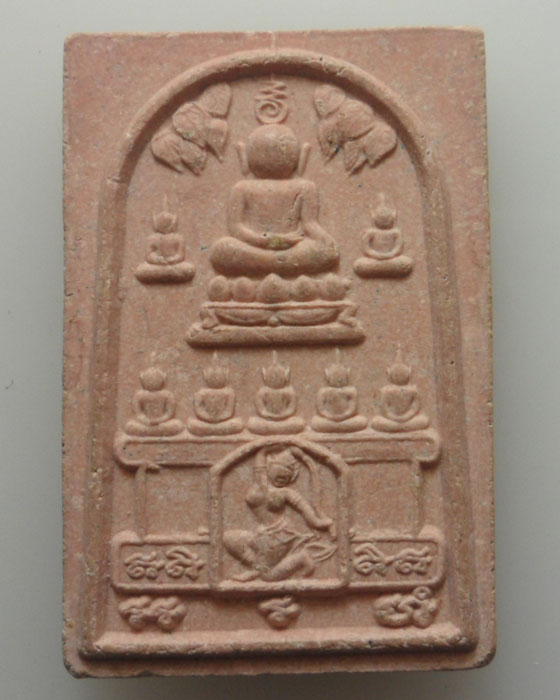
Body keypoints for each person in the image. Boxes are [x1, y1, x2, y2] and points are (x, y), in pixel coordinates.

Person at [210, 124, 339, 278]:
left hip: (292, 247)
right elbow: (236, 228)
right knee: (223, 248)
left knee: (327, 250)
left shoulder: (305, 187)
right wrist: (269, 241)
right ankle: (279, 264)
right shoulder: (242, 188)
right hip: (258, 247)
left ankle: (265, 265)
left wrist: (327, 245)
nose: (272, 156)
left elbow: (310, 225)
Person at [223, 446, 336, 581]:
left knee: (267, 577)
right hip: (261, 534)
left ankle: (300, 558)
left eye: (288, 473)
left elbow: (311, 518)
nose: (284, 475)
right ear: (269, 468)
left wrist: (327, 523)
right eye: (280, 470)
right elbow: (260, 455)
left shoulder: (287, 493)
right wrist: (270, 446)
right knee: (229, 538)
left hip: (281, 536)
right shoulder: (261, 484)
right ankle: (257, 568)